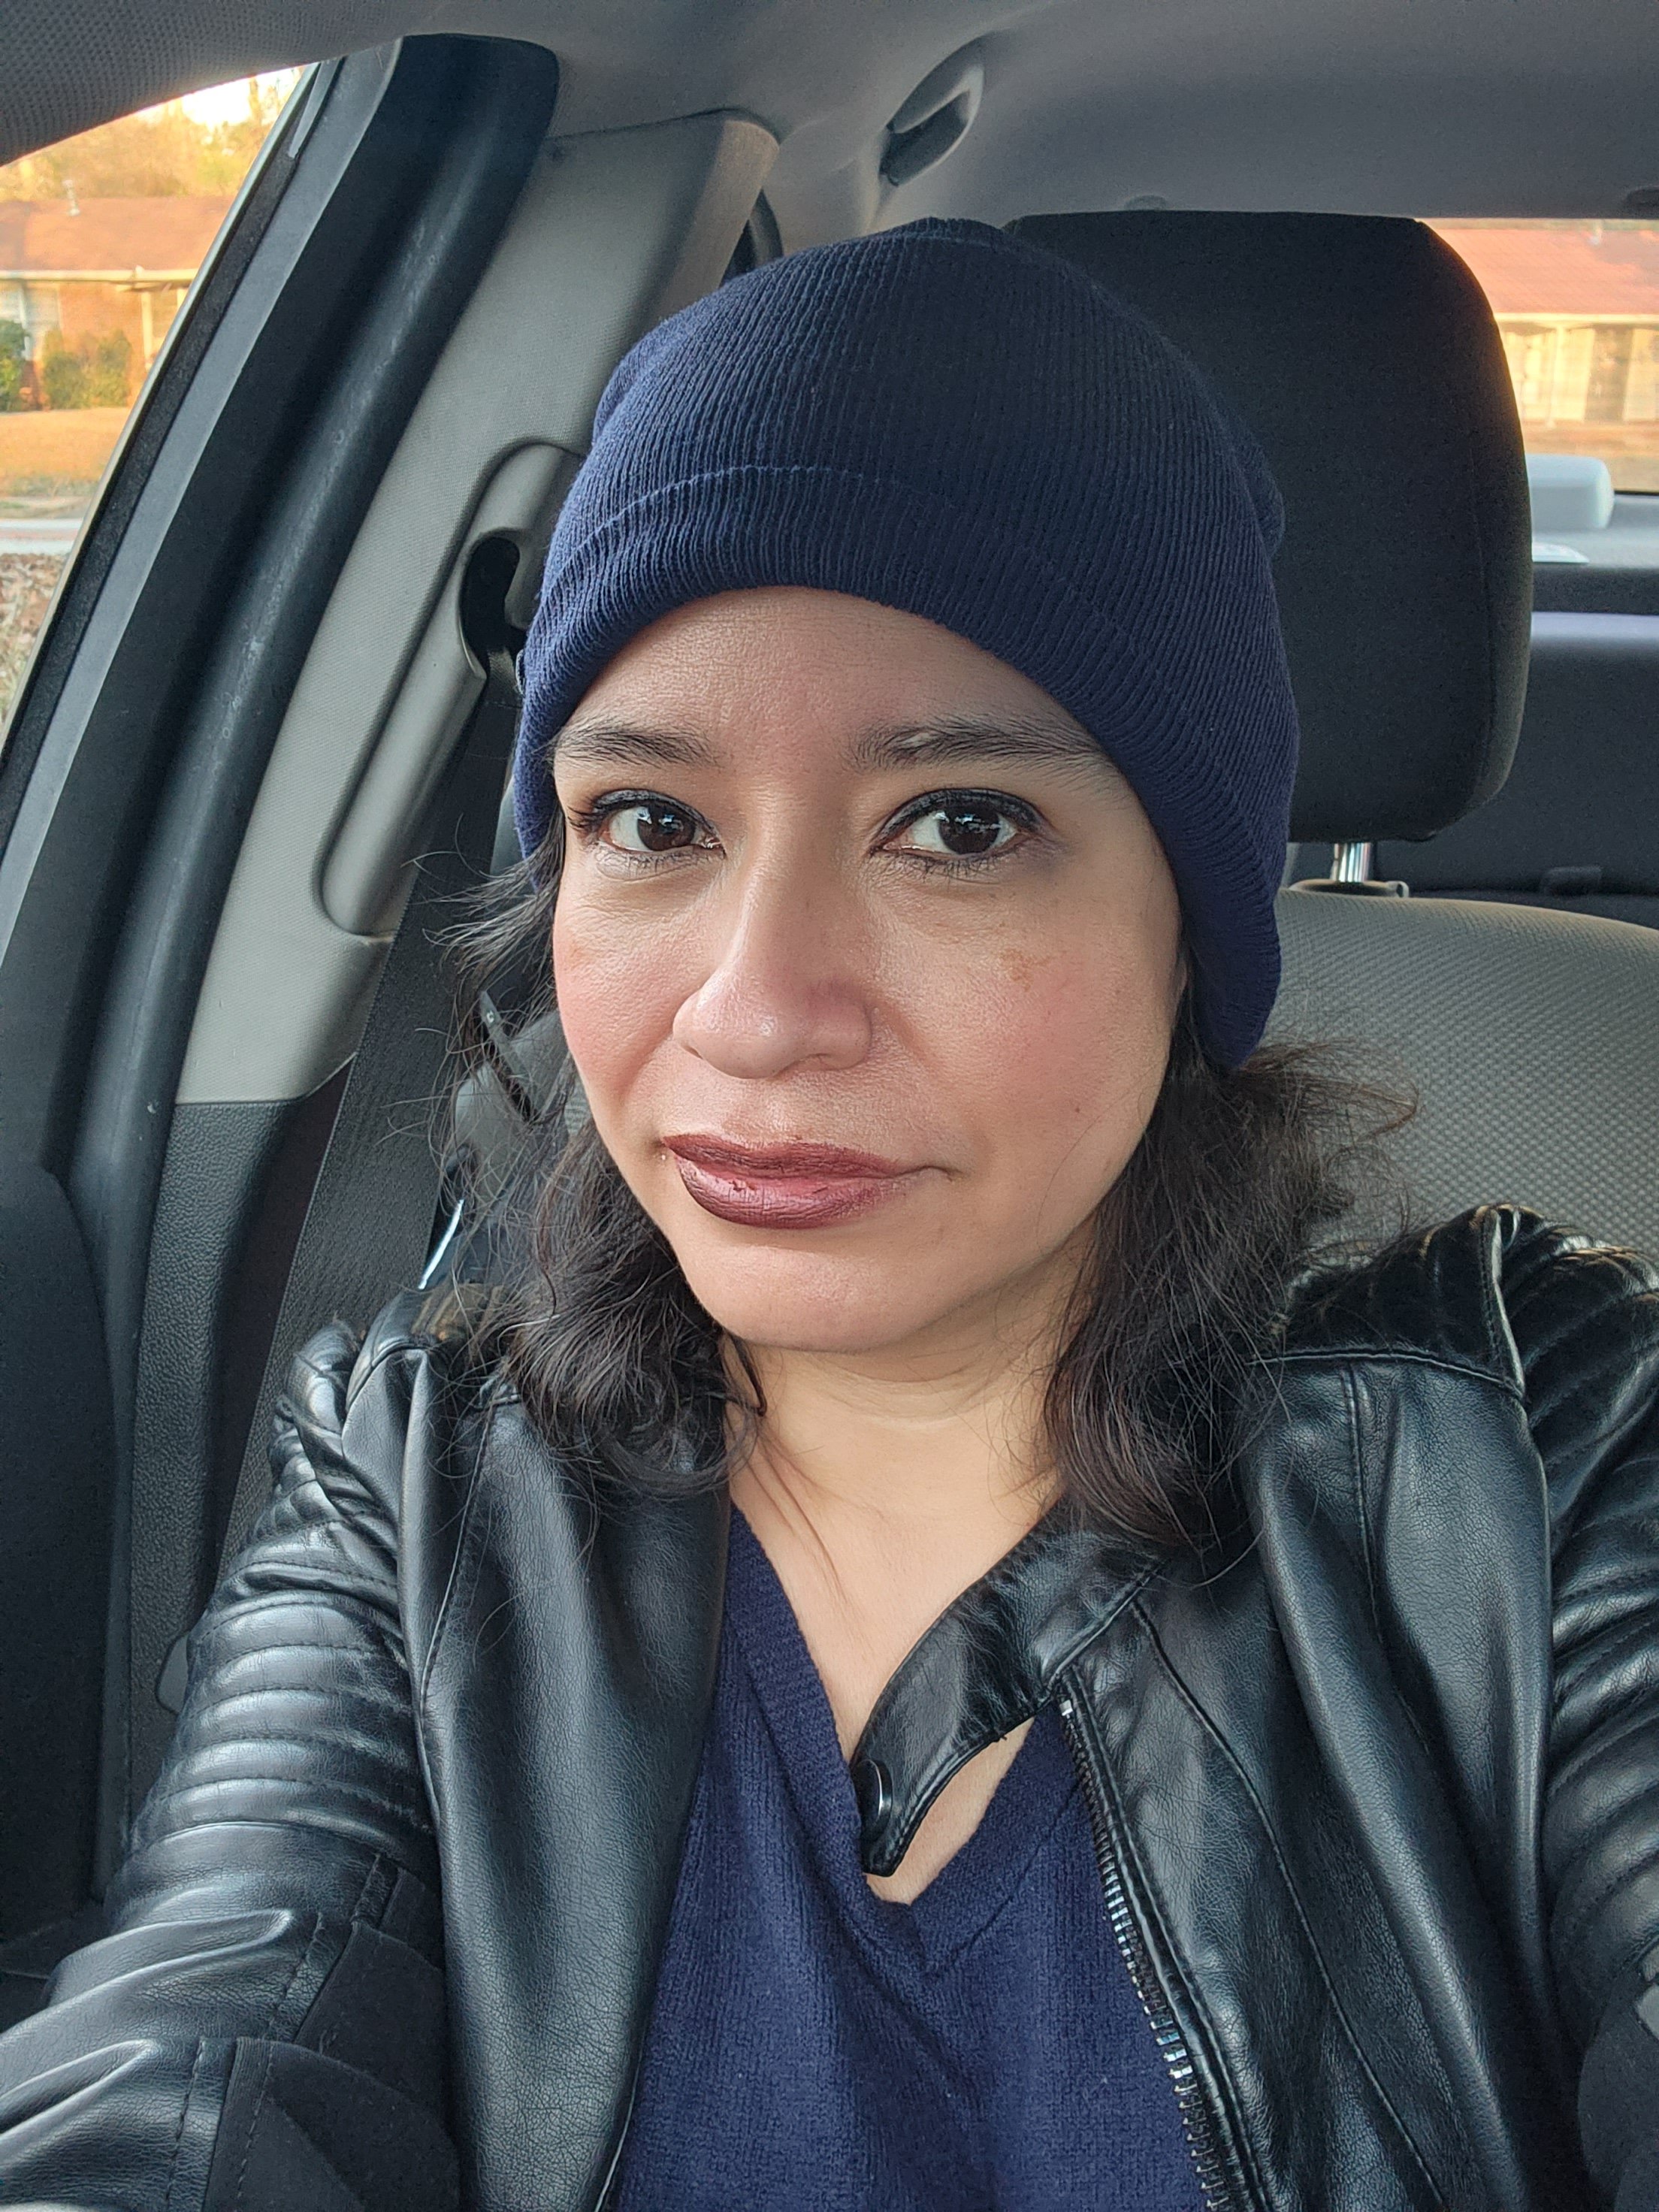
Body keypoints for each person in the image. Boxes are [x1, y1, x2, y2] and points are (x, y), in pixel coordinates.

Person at [1, 216, 1657, 2212]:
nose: (758, 1010)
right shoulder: (411, 1487)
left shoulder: (1539, 1444)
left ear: (1188, 929)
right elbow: (190, 2065)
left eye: (960, 826)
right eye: (651, 822)